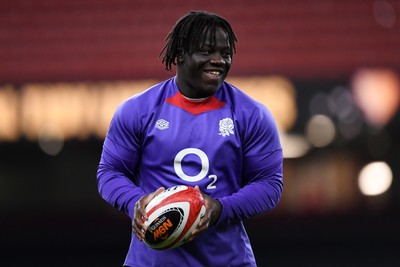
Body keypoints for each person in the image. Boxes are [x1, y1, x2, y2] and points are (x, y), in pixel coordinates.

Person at [97, 10, 283, 267]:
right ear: (181, 53)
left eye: (225, 53)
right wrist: (135, 202)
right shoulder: (137, 111)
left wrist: (219, 209)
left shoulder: (252, 115)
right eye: (207, 52)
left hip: (227, 261)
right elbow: (110, 172)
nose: (219, 60)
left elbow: (270, 183)